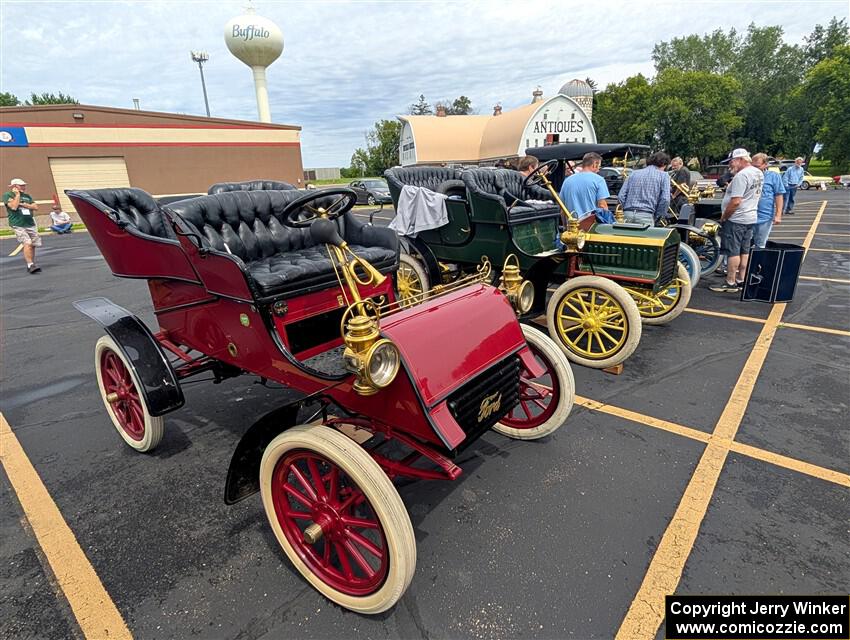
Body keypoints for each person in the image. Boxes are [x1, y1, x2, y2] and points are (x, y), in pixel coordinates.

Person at [709, 149, 763, 293]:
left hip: (736, 219)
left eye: (731, 161)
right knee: (744, 250)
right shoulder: (758, 172)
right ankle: (741, 279)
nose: (730, 165)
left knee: (733, 251)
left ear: (740, 160)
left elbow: (736, 201)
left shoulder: (741, 176)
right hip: (750, 217)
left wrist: (724, 216)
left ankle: (730, 282)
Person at [617, 151, 671, 225]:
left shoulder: (633, 173)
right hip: (647, 216)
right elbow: (665, 199)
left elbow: (621, 196)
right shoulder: (664, 175)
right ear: (663, 164)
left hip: (627, 214)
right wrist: (658, 216)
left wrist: (623, 211)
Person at [3, 178, 41, 273]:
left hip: (30, 223)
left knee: (33, 244)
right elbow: (14, 207)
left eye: (24, 185)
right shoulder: (8, 195)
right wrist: (17, 195)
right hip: (18, 223)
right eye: (21, 185)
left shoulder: (27, 196)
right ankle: (30, 264)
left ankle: (31, 263)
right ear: (14, 186)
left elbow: (35, 207)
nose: (24, 187)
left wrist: (24, 205)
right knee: (27, 242)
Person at [558, 152, 609, 217]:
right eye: (599, 166)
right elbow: (602, 206)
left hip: (572, 222)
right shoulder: (599, 180)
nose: (598, 170)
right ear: (594, 165)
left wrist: (565, 223)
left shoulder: (567, 181)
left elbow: (562, 209)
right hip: (591, 222)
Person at [751, 153, 785, 249]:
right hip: (749, 215)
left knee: (760, 244)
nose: (755, 169)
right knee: (745, 245)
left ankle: (757, 258)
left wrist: (778, 215)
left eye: (758, 166)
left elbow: (779, 195)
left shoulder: (773, 176)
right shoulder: (748, 176)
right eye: (753, 166)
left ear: (765, 164)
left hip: (765, 216)